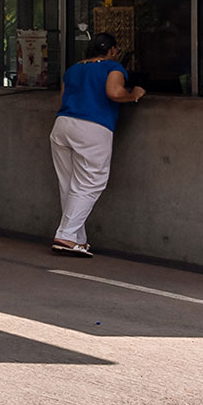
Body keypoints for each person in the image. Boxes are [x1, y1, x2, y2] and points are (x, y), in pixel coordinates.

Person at [51, 33, 144, 258]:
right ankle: (66, 235)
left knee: (70, 184)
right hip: (92, 127)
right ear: (112, 50)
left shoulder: (73, 69)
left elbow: (63, 99)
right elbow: (113, 92)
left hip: (62, 125)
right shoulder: (113, 67)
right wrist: (134, 94)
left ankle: (77, 240)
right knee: (92, 182)